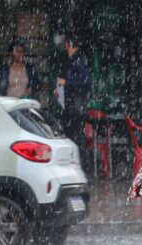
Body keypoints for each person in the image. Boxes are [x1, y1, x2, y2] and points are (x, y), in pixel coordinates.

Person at [58, 34, 91, 175]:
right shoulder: (76, 59)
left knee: (75, 132)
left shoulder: (78, 59)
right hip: (73, 100)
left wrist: (66, 83)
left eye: (66, 45)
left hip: (76, 100)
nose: (66, 49)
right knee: (74, 132)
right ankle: (78, 165)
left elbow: (83, 81)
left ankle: (79, 166)